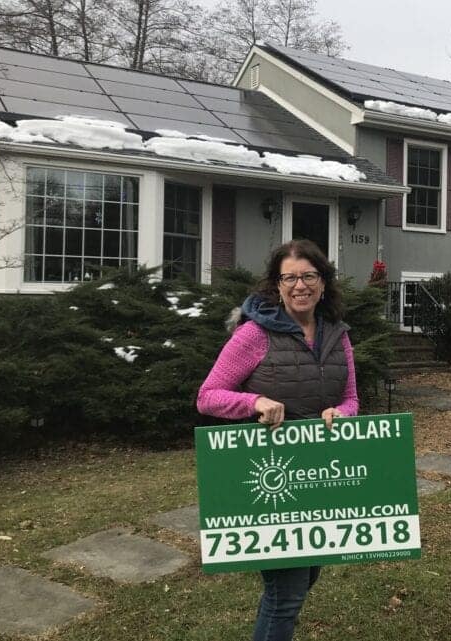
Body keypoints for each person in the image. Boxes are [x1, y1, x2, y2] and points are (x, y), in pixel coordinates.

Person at [196, 239, 359, 641]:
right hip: (271, 480)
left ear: (323, 282)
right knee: (286, 593)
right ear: (277, 285)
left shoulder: (338, 336)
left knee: (303, 580)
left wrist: (342, 413)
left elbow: (351, 398)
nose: (300, 285)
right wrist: (254, 402)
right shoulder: (254, 335)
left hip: (319, 477)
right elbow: (208, 396)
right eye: (290, 278)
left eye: (309, 276)